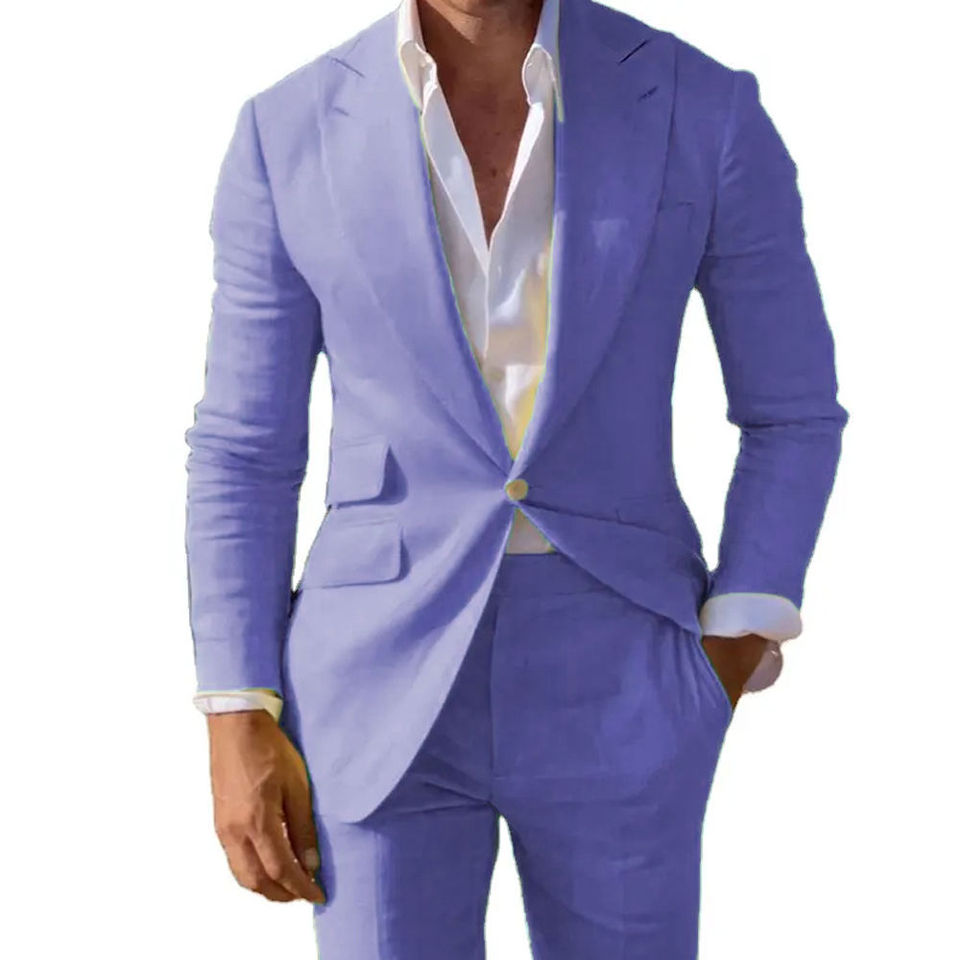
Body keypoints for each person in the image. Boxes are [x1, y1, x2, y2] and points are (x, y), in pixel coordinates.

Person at [184, 0, 848, 956]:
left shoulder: (702, 107)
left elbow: (793, 411)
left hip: (624, 665)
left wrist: (733, 644)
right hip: (373, 679)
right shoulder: (286, 130)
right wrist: (237, 705)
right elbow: (245, 449)